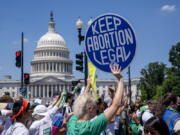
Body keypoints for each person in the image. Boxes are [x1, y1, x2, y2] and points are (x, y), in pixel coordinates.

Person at [67, 64, 125, 135]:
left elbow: (82, 100)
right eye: (95, 108)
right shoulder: (91, 127)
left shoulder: (72, 123)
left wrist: (88, 85)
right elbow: (115, 105)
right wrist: (120, 79)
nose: (96, 111)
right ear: (90, 108)